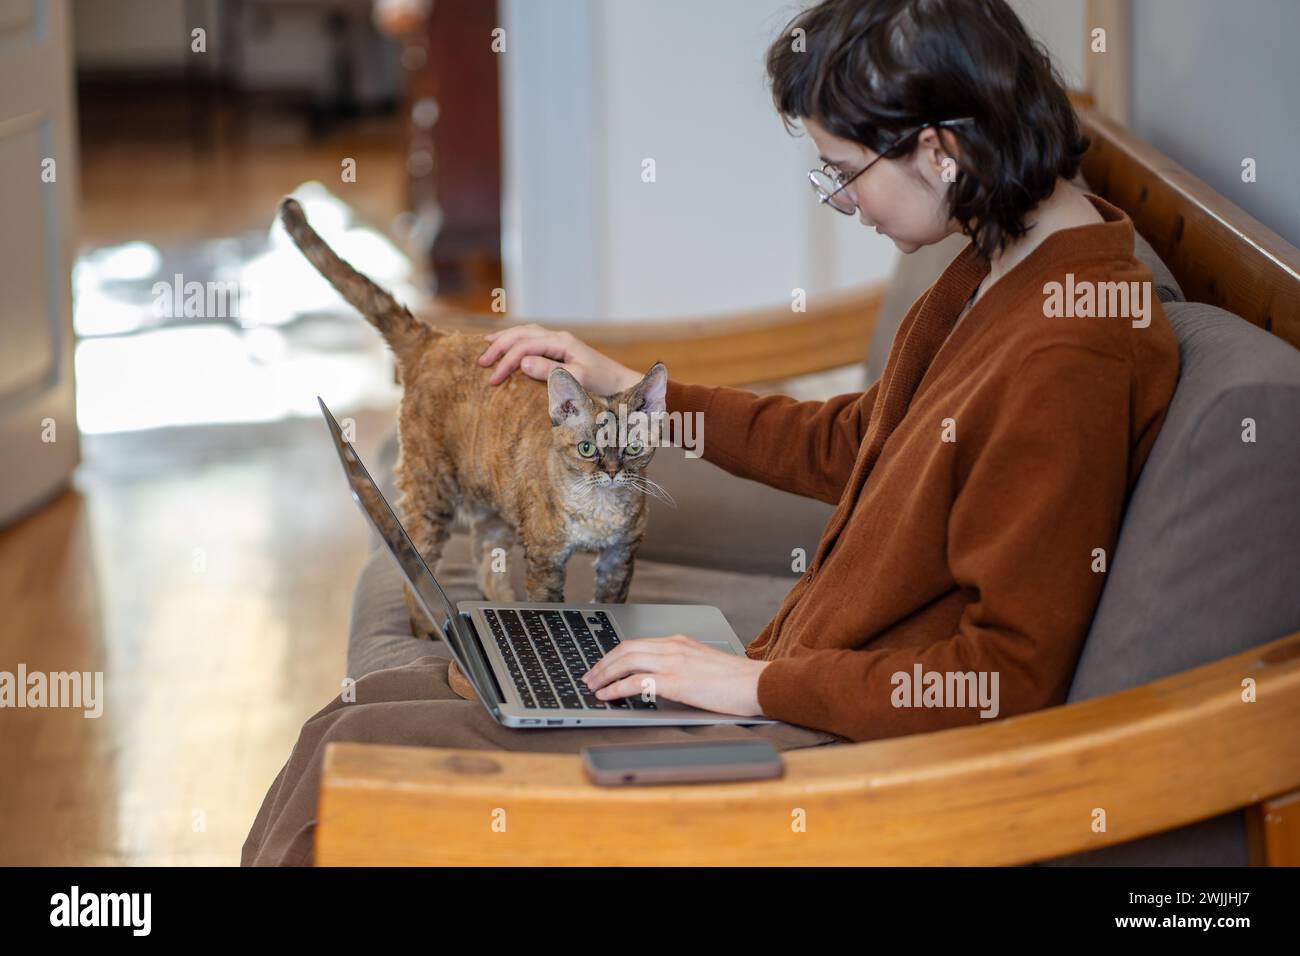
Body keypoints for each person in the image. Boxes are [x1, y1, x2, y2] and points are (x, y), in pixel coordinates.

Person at [243, 0, 1179, 865]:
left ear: (938, 151)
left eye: (844, 173)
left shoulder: (1069, 353)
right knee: (362, 712)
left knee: (355, 765)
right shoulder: (1003, 260)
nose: (843, 201)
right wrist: (622, 384)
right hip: (789, 692)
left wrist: (746, 688)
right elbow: (855, 443)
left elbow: (1003, 681)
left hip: (828, 762)